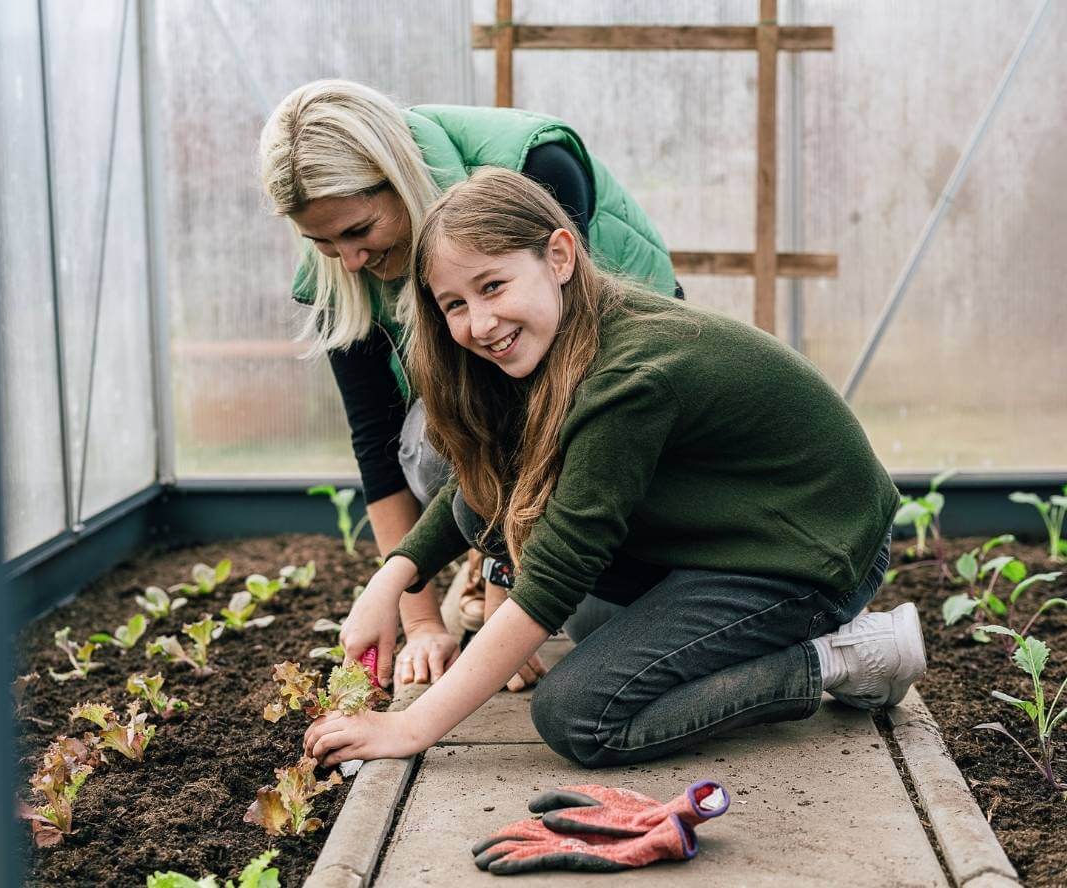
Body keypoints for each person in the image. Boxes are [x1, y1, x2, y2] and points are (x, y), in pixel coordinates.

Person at [302, 167, 926, 769]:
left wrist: (409, 727)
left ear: (559, 257)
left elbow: (555, 575)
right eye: (455, 304)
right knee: (498, 526)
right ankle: (744, 638)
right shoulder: (558, 335)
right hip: (736, 531)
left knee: (581, 714)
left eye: (492, 286)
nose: (481, 323)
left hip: (810, 554)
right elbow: (482, 489)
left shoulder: (627, 379)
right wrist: (391, 581)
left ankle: (837, 658)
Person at [258, 79, 682, 691]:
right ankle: (492, 559)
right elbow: (376, 440)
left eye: (357, 231)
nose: (347, 260)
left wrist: (505, 600)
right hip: (500, 398)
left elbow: (552, 390)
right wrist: (422, 623)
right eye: (319, 241)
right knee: (431, 446)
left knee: (607, 613)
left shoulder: (536, 164)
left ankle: (496, 565)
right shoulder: (336, 267)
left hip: (613, 386)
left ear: (398, 177)